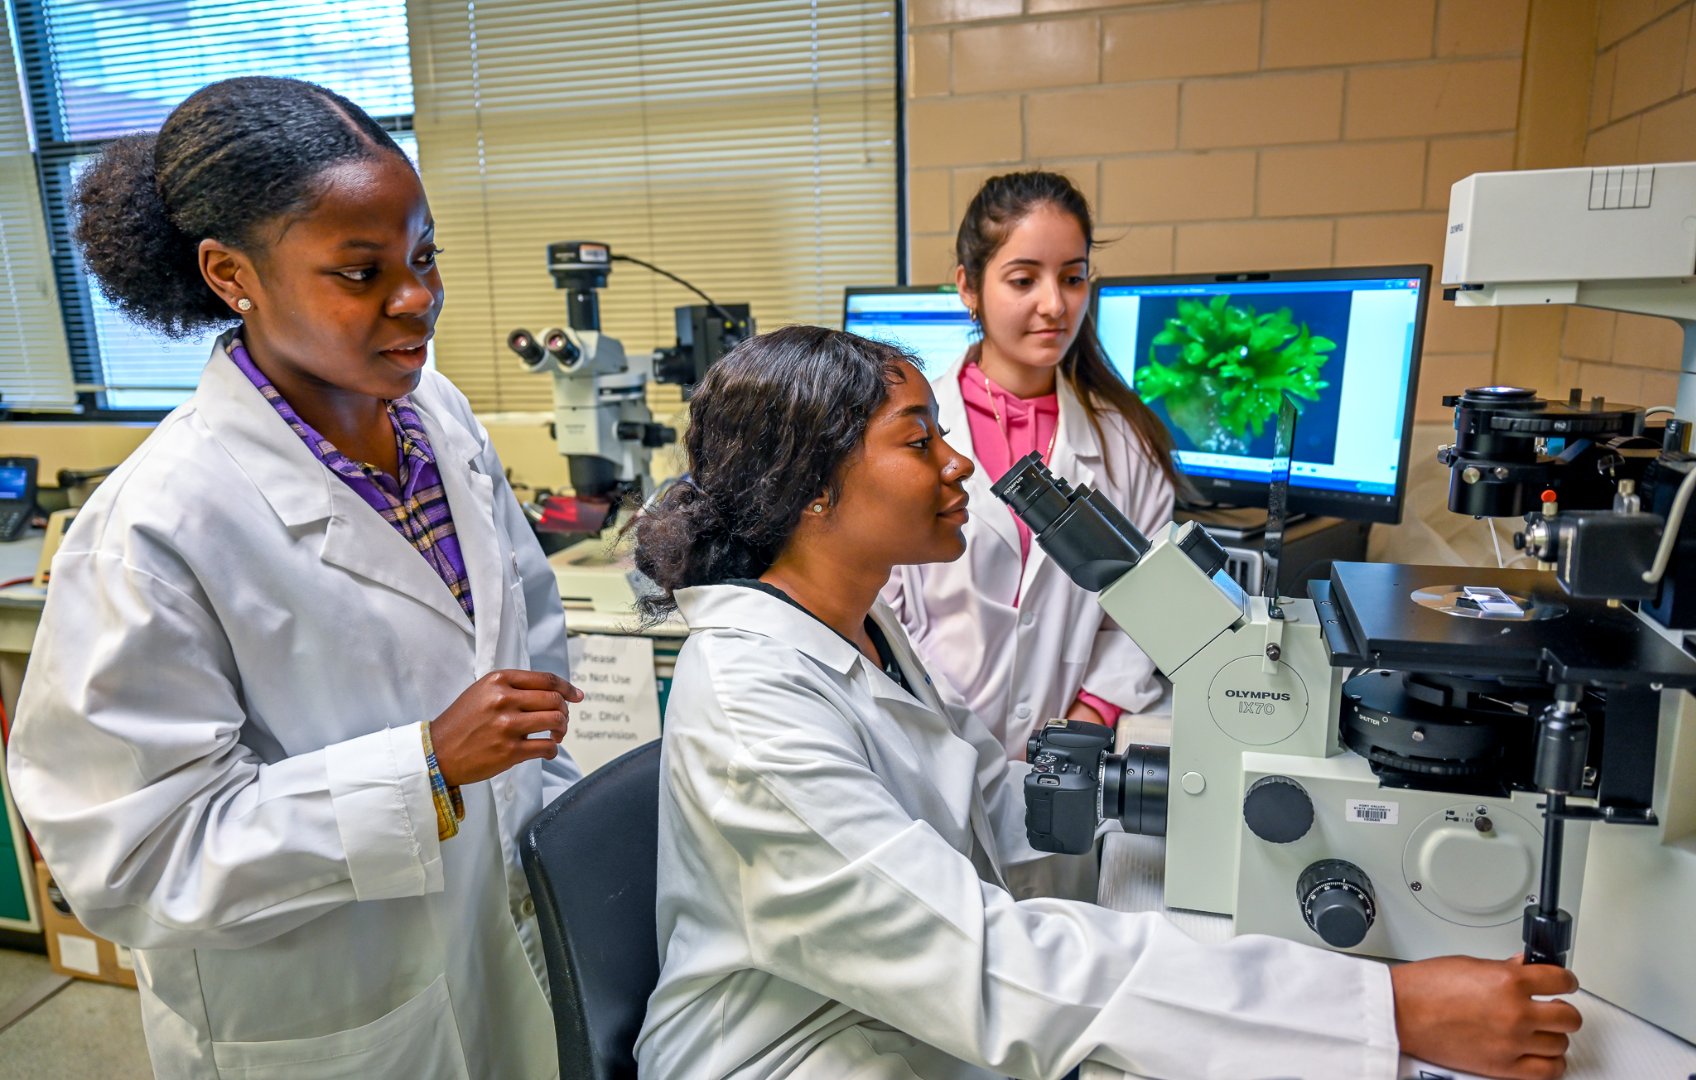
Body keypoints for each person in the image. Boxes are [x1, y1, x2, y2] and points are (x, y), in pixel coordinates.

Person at [630, 324, 1581, 1080]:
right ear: (812, 494)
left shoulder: (859, 627)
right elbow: (984, 964)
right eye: (918, 441)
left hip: (900, 1019)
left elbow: (984, 802)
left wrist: (1174, 807)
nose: (958, 465)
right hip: (794, 1054)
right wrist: (1387, 1010)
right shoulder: (755, 714)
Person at [6, 77, 582, 1079]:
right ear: (233, 274)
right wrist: (426, 769)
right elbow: (132, 861)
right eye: (359, 273)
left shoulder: (438, 419)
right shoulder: (159, 523)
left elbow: (527, 647)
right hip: (326, 1014)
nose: (417, 298)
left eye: (423, 255)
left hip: (504, 944)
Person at [883, 170, 1178, 760]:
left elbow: (1146, 615)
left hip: (1068, 763)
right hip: (927, 747)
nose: (1055, 304)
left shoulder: (1127, 444)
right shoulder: (901, 438)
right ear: (969, 286)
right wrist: (948, 742)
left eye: (1073, 278)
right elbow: (884, 609)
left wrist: (1080, 727)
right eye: (1024, 279)